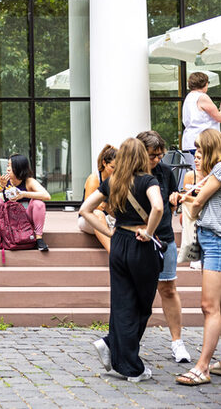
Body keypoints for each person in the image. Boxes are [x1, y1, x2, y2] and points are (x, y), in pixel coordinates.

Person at [81, 138, 164, 383]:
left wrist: (109, 233)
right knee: (142, 305)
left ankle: (113, 348)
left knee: (121, 302)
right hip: (141, 243)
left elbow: (85, 209)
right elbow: (157, 207)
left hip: (119, 242)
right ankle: (131, 366)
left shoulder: (112, 181)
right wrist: (149, 232)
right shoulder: (148, 180)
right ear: (140, 157)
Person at [176, 128, 221, 385]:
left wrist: (190, 201)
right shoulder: (215, 172)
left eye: (200, 150)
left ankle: (203, 367)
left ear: (212, 149)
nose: (196, 155)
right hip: (213, 240)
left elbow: (196, 203)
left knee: (209, 306)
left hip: (219, 242)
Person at [136, 130, 190, 364]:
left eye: (160, 155)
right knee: (136, 292)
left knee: (168, 288)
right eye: (153, 155)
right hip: (137, 239)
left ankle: (177, 342)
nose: (157, 159)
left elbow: (171, 201)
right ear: (140, 152)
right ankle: (129, 341)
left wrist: (175, 198)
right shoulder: (128, 174)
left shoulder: (165, 172)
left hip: (164, 238)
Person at [0, 154, 51, 252]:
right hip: (8, 220)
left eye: (11, 166)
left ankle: (39, 238)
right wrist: (0, 187)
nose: (8, 169)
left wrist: (23, 194)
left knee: (38, 203)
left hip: (26, 220)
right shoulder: (2, 181)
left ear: (19, 168)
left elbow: (46, 196)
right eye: (7, 165)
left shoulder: (28, 181)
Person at [77, 144, 117, 253]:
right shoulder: (94, 179)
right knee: (98, 214)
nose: (116, 171)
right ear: (104, 163)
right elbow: (89, 208)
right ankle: (112, 253)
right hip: (89, 219)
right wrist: (107, 208)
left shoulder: (117, 180)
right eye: (112, 167)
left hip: (110, 218)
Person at [182, 71, 221, 154]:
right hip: (205, 141)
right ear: (205, 83)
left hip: (190, 140)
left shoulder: (189, 97)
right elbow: (219, 118)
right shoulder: (202, 97)